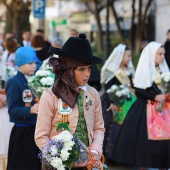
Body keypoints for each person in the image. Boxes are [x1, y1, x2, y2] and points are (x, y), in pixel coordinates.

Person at [35, 33, 105, 170]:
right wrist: (61, 159)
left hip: (88, 164)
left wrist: (95, 152)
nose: (87, 74)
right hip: (58, 165)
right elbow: (41, 136)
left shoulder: (93, 94)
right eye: (81, 69)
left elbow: (99, 128)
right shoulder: (50, 96)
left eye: (89, 68)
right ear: (68, 69)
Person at [112, 42, 170, 170]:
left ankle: (164, 164)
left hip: (164, 110)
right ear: (151, 54)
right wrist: (154, 97)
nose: (162, 57)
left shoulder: (163, 69)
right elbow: (139, 89)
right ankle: (148, 164)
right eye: (159, 54)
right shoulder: (146, 70)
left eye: (164, 54)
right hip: (147, 109)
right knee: (146, 139)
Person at [5, 47, 42, 170]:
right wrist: (30, 110)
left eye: (35, 63)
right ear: (20, 64)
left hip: (36, 131)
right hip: (22, 134)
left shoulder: (37, 80)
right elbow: (12, 110)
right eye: (30, 63)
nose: (34, 66)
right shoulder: (14, 82)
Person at [100, 44, 136, 162]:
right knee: (112, 127)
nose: (130, 59)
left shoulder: (129, 70)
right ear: (120, 56)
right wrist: (112, 103)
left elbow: (131, 86)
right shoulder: (112, 69)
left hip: (127, 103)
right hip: (112, 103)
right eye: (128, 56)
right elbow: (107, 87)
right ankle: (110, 156)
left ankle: (124, 156)